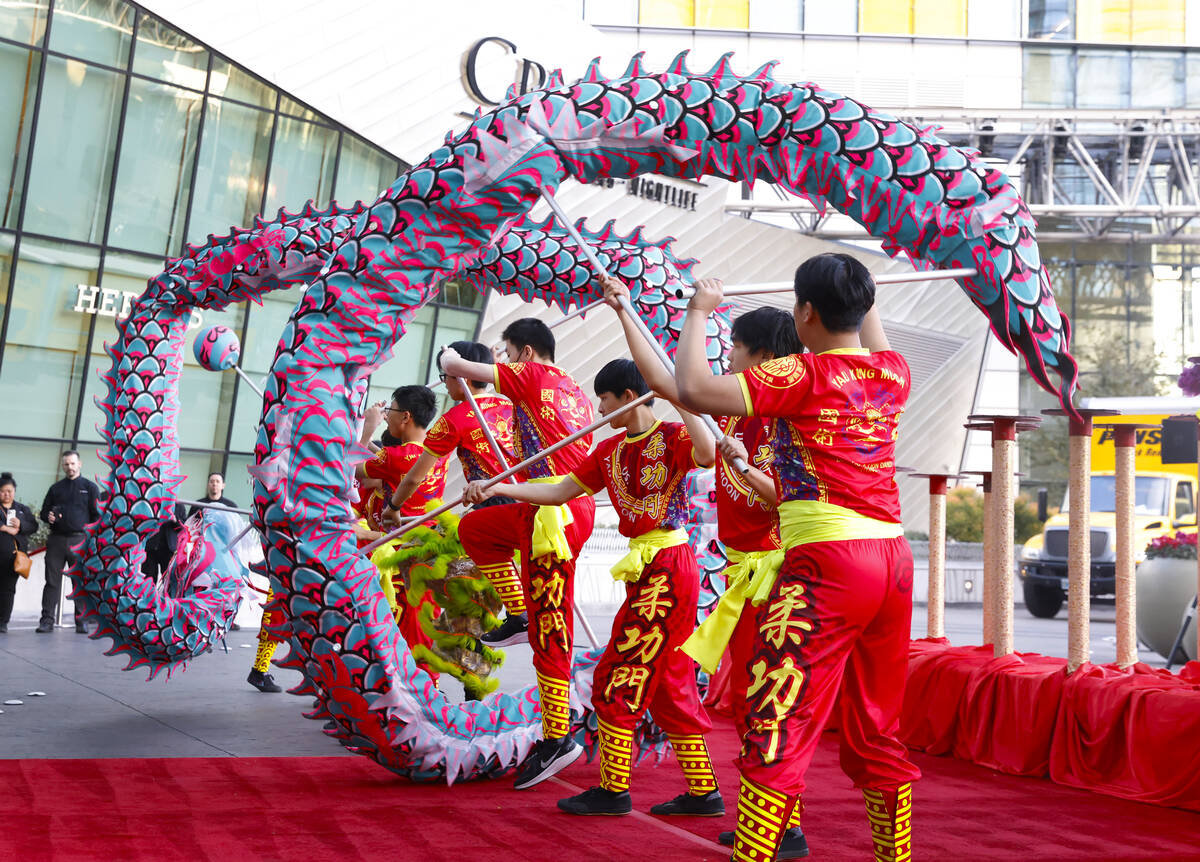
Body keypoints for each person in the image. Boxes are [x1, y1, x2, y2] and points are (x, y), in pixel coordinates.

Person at [672, 253, 920, 862]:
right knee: (877, 725)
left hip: (830, 563)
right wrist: (862, 288)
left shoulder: (800, 375)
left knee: (778, 717)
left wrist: (699, 311)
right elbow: (867, 327)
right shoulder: (894, 371)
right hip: (892, 559)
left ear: (805, 312)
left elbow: (692, 390)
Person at [601, 271, 810, 858]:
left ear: (763, 356)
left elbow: (799, 500)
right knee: (747, 700)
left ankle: (782, 828)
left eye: (737, 348)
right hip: (743, 579)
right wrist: (623, 312)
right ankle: (767, 820)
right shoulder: (736, 415)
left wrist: (745, 469)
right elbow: (672, 385)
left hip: (778, 580)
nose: (729, 357)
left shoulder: (793, 416)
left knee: (767, 702)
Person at [466, 358, 719, 816]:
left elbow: (707, 453)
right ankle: (704, 794)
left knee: (614, 679)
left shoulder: (673, 436)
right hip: (648, 571)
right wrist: (498, 489)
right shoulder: (608, 451)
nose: (598, 405)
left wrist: (681, 398)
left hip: (666, 567)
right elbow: (561, 491)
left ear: (628, 396)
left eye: (604, 397)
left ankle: (614, 790)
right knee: (669, 686)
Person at [441, 317, 596, 789]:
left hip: (554, 518)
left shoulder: (533, 375)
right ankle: (518, 611)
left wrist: (456, 357)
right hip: (548, 505)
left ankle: (558, 736)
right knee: (478, 529)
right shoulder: (572, 386)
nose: (505, 362)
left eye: (508, 352)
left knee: (553, 632)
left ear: (527, 353)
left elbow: (456, 363)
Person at [38, 450, 101, 634]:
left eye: (73, 463)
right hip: (56, 540)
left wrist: (92, 541)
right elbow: (43, 512)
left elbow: (97, 517)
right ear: (62, 465)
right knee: (51, 582)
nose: (70, 467)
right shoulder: (55, 488)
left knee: (79, 582)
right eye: (66, 464)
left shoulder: (90, 488)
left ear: (79, 464)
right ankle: (46, 621)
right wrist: (48, 516)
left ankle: (81, 622)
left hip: (79, 540)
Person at [0, 473, 38, 633]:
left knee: (8, 590)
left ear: (14, 491)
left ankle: (3, 622)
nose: (6, 494)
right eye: (2, 491)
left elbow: (34, 526)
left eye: (9, 491)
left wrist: (21, 525)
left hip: (14, 558)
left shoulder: (22, 509)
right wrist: (4, 527)